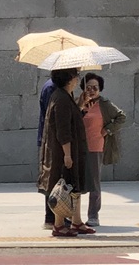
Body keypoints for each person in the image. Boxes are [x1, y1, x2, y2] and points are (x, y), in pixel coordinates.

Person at [38, 68, 94, 237]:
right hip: (64, 152)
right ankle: (59, 224)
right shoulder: (61, 98)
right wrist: (67, 154)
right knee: (64, 186)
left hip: (72, 149)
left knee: (73, 185)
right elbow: (63, 130)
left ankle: (76, 221)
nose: (78, 79)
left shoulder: (65, 96)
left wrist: (80, 104)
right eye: (77, 76)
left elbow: (71, 118)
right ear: (69, 78)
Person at [77, 72, 127, 228]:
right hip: (78, 147)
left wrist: (107, 130)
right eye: (88, 87)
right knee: (75, 182)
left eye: (95, 88)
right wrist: (80, 107)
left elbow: (121, 117)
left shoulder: (104, 104)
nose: (92, 91)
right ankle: (73, 216)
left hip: (95, 146)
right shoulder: (78, 102)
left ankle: (93, 215)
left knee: (94, 183)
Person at [37, 75, 56, 229]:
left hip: (53, 139)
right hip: (52, 140)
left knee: (56, 178)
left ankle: (57, 216)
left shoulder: (56, 87)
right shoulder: (52, 88)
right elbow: (53, 117)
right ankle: (51, 217)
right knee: (52, 178)